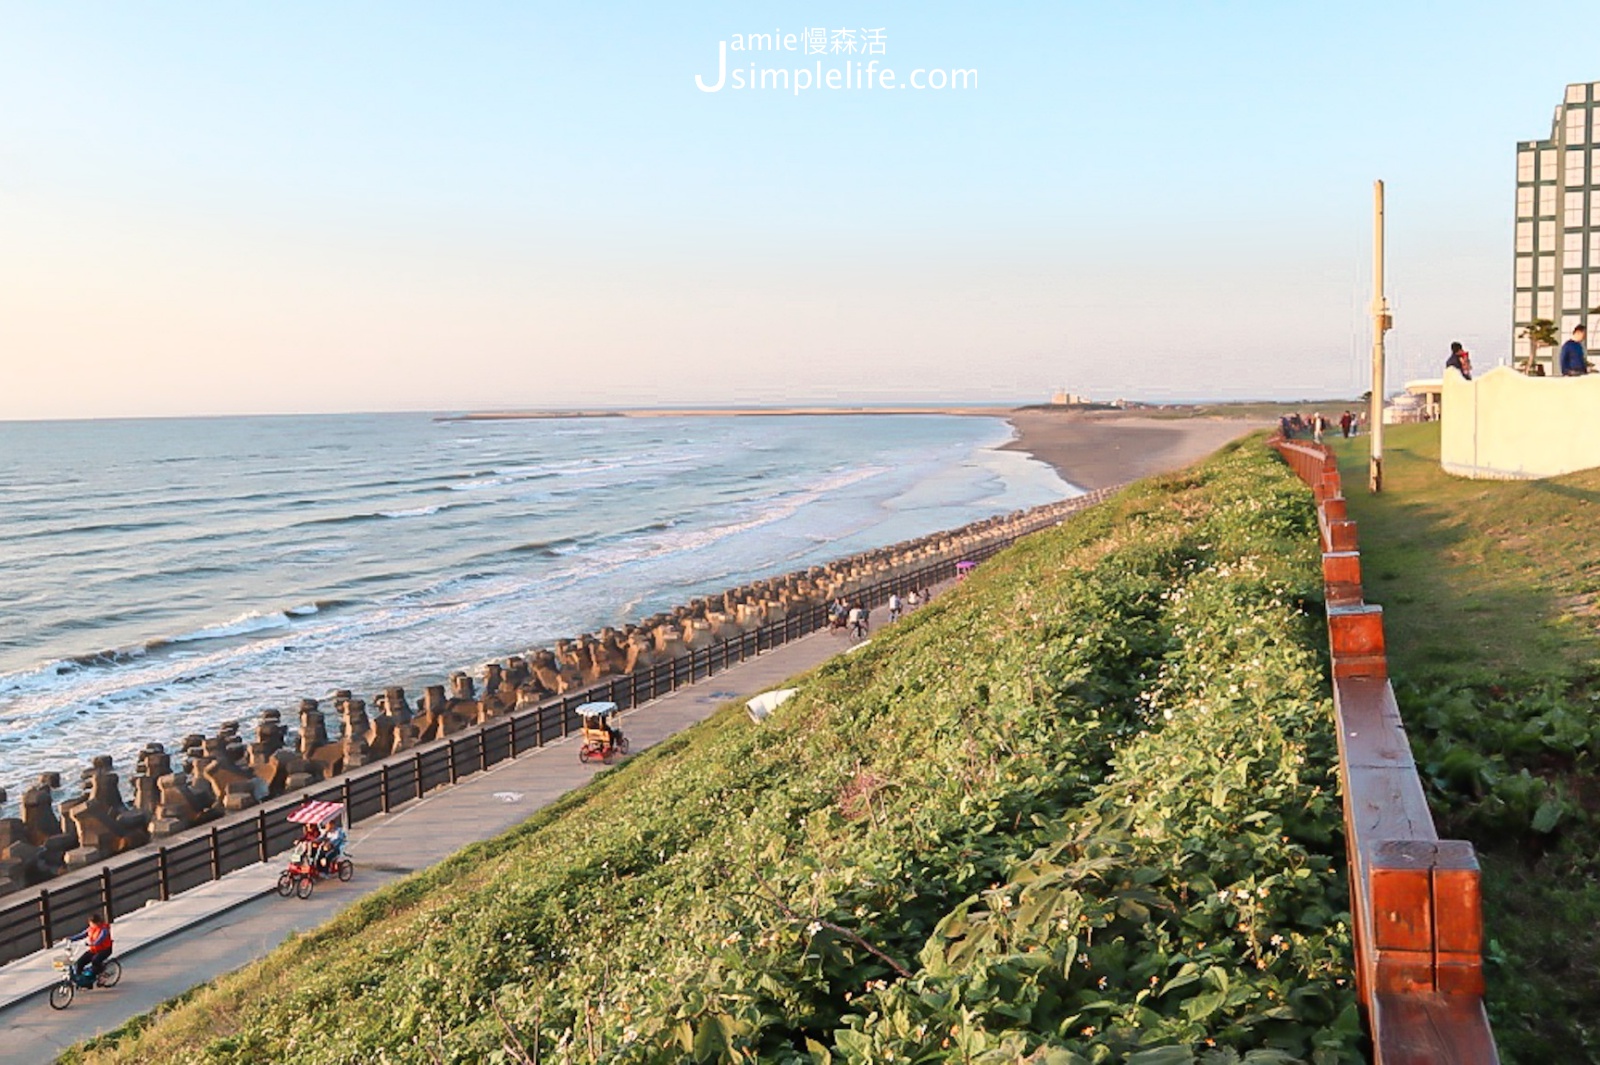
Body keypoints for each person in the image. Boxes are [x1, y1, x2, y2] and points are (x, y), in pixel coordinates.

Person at [70, 913, 112, 983]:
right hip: (94, 949)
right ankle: (80, 979)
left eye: (92, 923)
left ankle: (101, 974)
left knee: (95, 960)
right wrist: (71, 939)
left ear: (97, 923)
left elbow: (101, 938)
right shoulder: (91, 928)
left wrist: (93, 943)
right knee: (80, 962)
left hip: (105, 949)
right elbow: (82, 935)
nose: (90, 925)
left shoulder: (104, 929)